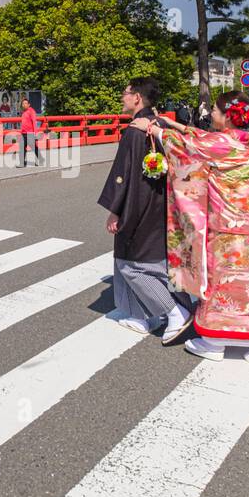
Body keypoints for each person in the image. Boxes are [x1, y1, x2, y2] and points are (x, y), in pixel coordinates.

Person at [132, 91, 249, 365]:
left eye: (214, 110)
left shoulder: (220, 144)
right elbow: (199, 138)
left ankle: (214, 341)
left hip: (228, 228)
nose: (210, 114)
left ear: (227, 116)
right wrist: (175, 124)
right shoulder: (247, 143)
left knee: (222, 286)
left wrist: (153, 128)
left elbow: (186, 147)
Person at [97, 77, 192, 336]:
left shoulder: (135, 130)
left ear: (137, 97)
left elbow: (122, 175)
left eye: (126, 93)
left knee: (131, 262)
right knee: (152, 259)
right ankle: (142, 317)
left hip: (137, 203)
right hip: (162, 202)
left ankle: (173, 310)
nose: (122, 97)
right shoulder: (160, 125)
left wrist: (114, 209)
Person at [18, 98, 43, 167]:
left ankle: (41, 159)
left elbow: (34, 122)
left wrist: (36, 133)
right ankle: (22, 163)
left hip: (30, 133)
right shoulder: (23, 112)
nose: (24, 105)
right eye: (23, 104)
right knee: (22, 147)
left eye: (25, 103)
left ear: (29, 104)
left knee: (34, 147)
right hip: (23, 133)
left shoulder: (31, 111)